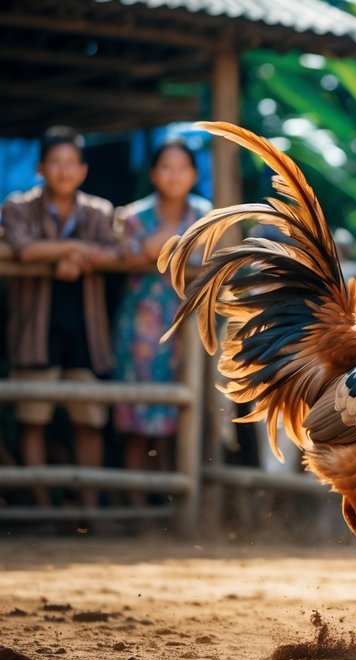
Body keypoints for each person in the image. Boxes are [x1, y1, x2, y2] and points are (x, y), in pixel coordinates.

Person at [1, 126, 120, 509]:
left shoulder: (100, 211)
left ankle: (89, 509)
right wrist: (72, 249)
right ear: (41, 168)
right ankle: (41, 508)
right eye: (56, 162)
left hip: (87, 329)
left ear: (84, 170)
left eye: (72, 163)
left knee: (89, 420)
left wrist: (63, 255)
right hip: (34, 328)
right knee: (33, 418)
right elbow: (21, 249)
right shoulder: (18, 207)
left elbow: (113, 253)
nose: (64, 170)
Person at [112, 140, 212, 508]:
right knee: (137, 419)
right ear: (153, 174)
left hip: (187, 324)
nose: (174, 175)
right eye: (166, 167)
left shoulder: (206, 213)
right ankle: (137, 506)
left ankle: (172, 508)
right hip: (141, 327)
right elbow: (130, 253)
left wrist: (156, 246)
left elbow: (210, 257)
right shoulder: (136, 215)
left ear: (194, 175)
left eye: (182, 168)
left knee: (178, 422)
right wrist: (173, 240)